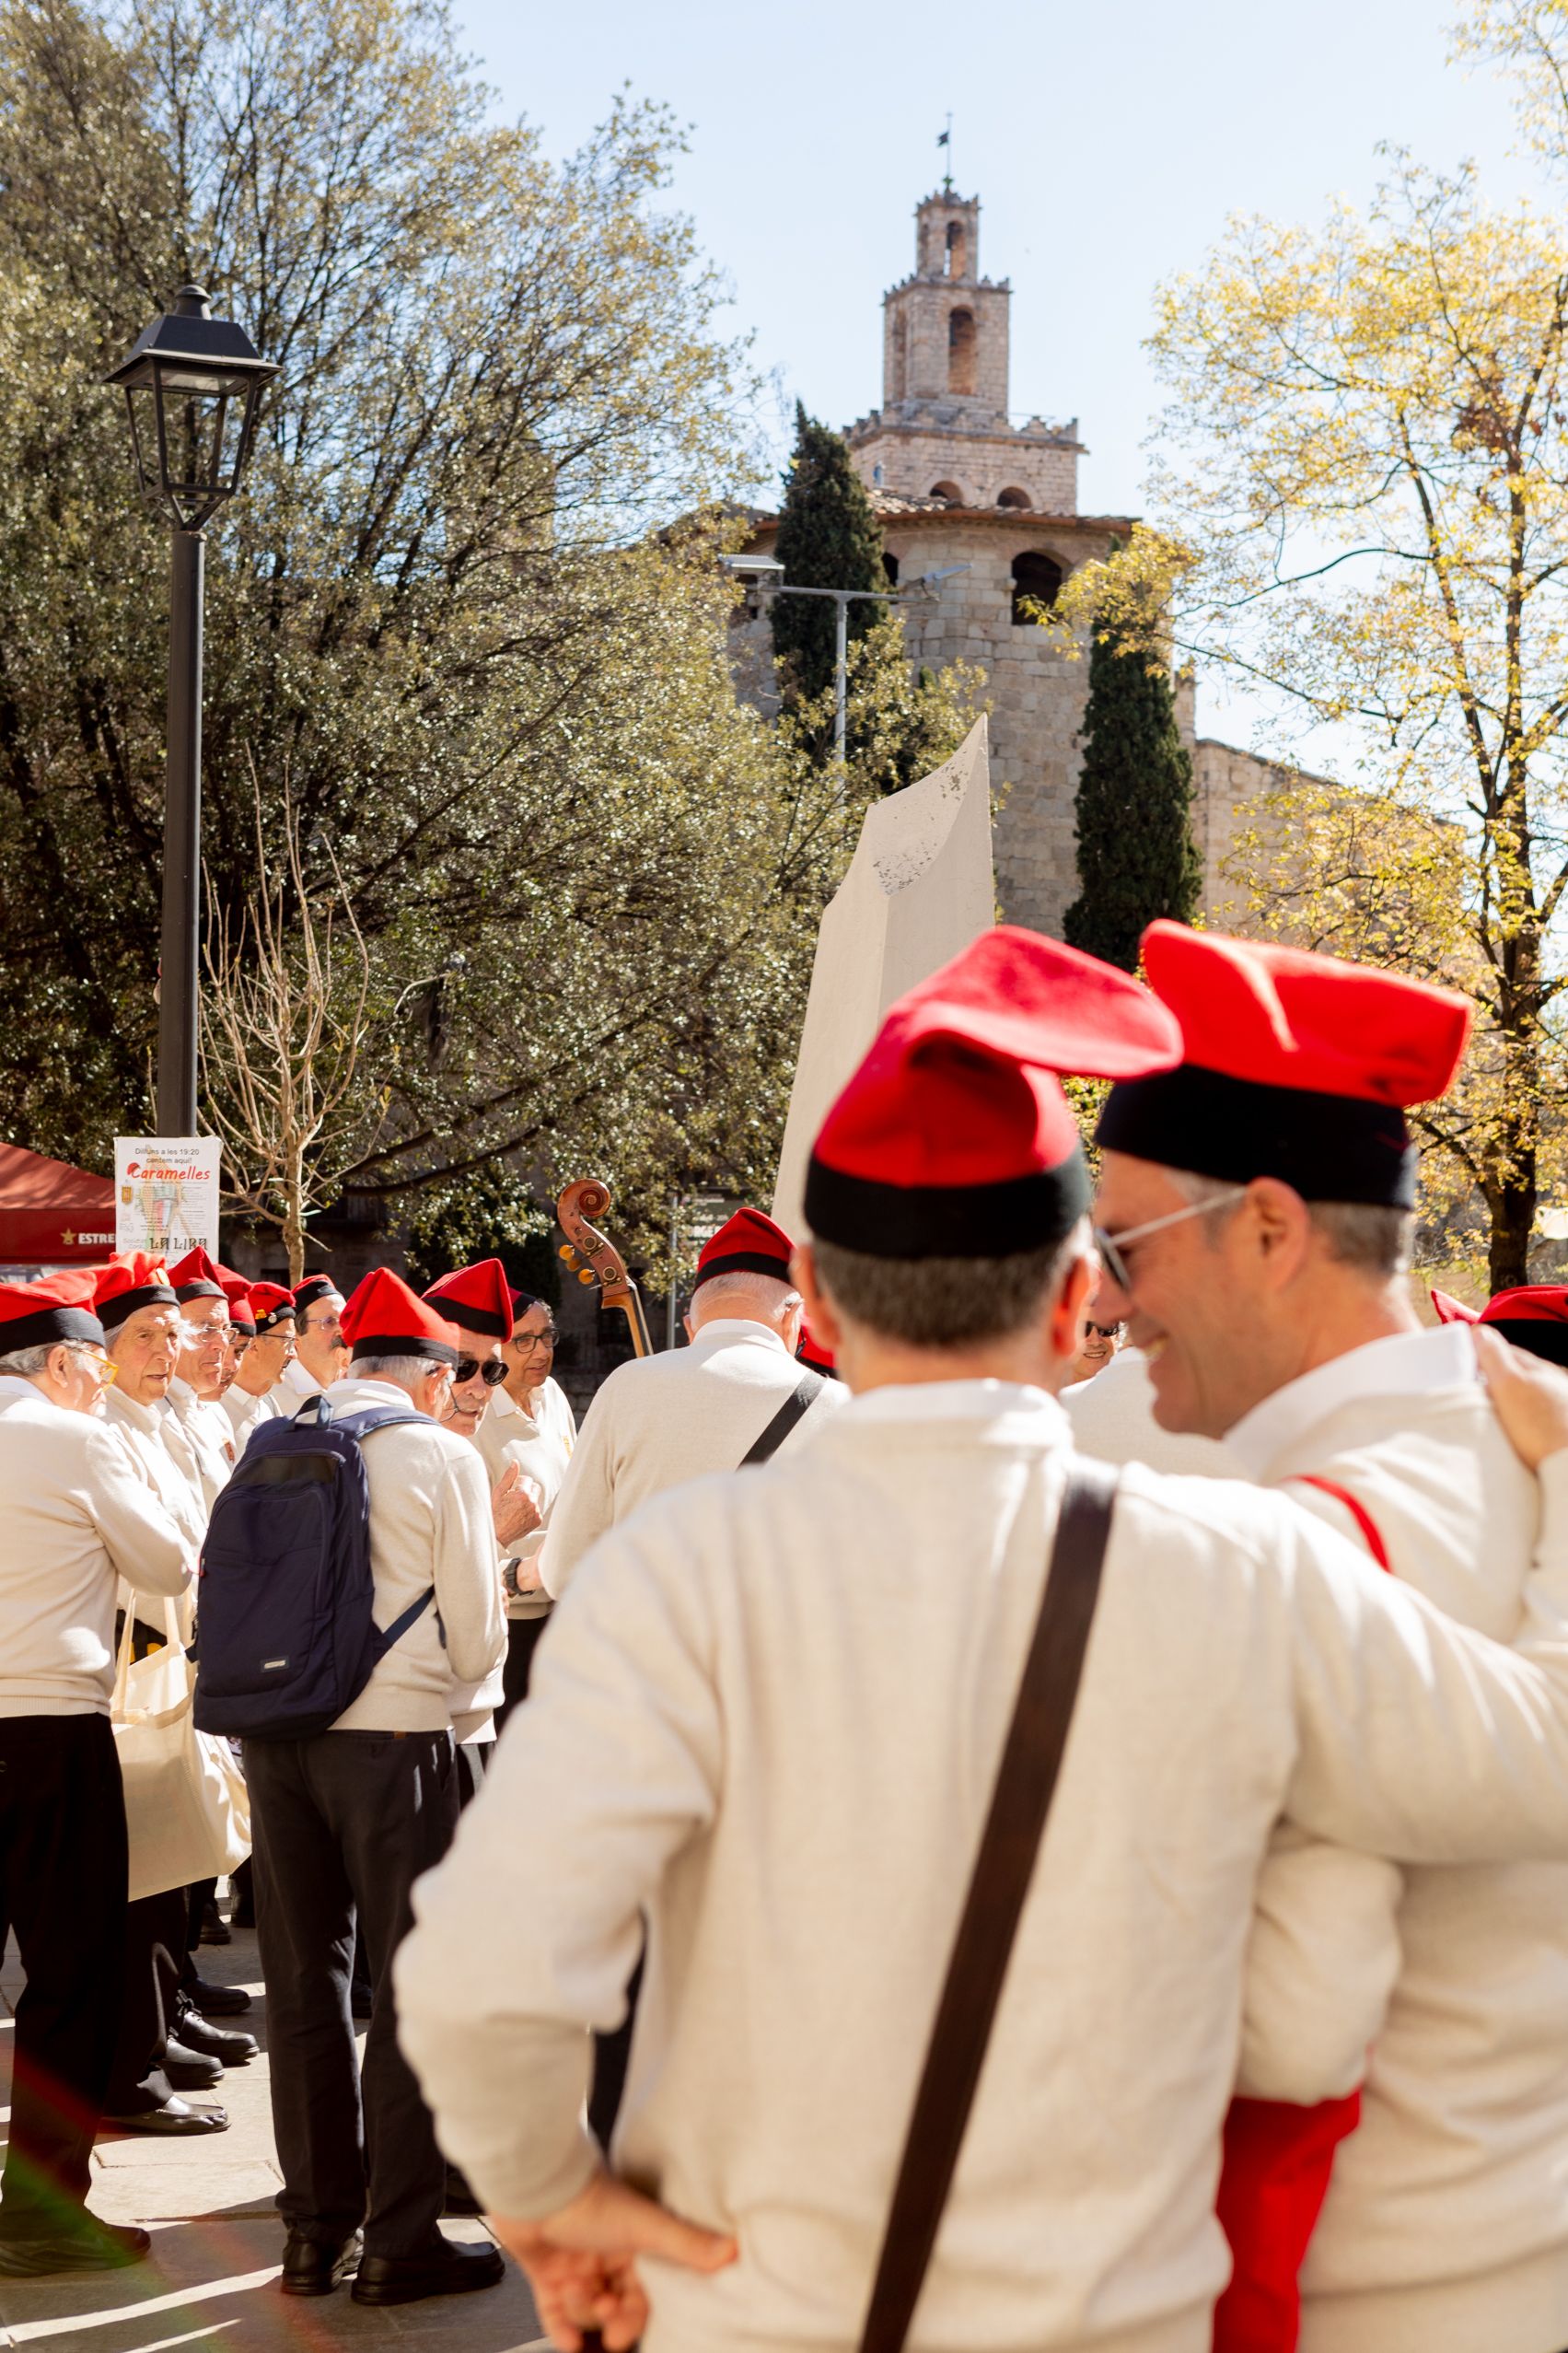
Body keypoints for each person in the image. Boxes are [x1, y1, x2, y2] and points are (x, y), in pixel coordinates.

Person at [396, 927, 1568, 2353]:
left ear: (812, 1302)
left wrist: (548, 2193)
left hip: (744, 2312)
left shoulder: (670, 1571)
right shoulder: (1233, 1559)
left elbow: (478, 1974)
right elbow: (1495, 1804)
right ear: (1071, 1294)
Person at [1083, 918, 1568, 2353]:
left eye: (1123, 1245)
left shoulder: (1276, 1544)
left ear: (1270, 1228)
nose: (1102, 1298)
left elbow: (1239, 2026)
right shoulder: (1521, 1444)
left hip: (1351, 2296)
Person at [243, 1265, 506, 2307]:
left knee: (304, 1986)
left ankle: (311, 2231)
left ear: (353, 1362)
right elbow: (480, 1629)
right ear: (431, 1380)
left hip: (276, 1737)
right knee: (410, 1986)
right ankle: (400, 2237)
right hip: (392, 1737)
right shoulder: (441, 1454)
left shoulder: (271, 1441)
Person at [0, 1271, 196, 2276]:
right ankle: (37, 2213)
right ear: (68, 1362)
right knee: (70, 1975)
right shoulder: (74, 1435)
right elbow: (168, 1562)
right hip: (45, 1726)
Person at [95, 1254, 236, 2138]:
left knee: (165, 1862)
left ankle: (151, 2031)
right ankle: (131, 2063)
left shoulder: (154, 1419)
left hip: (174, 1653)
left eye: (168, 1334)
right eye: (143, 1336)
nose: (164, 1348)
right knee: (138, 1870)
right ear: (103, 1352)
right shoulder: (107, 1428)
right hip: (134, 1660)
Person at [536, 1206, 846, 1602]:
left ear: (689, 1327)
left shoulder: (626, 1387)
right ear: (792, 1319)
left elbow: (564, 1571)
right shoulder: (841, 1408)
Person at [421, 1258, 540, 1791]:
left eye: (491, 1370)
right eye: (463, 1367)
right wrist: (493, 1538)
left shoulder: (455, 1450)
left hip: (467, 1716)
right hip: (417, 1723)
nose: (479, 1388)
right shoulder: (405, 1452)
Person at [474, 1288, 576, 1722]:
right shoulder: (475, 1413)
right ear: (498, 1346)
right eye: (524, 1340)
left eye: (546, 1337)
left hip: (562, 1609)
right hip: (508, 1615)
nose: (540, 1351)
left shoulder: (551, 1394)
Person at [226, 1280, 299, 1434]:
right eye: (287, 1341)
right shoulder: (215, 1407)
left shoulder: (268, 1405)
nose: (294, 1355)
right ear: (253, 1345)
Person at [284, 1273, 349, 1401]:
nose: (341, 1330)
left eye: (344, 1320)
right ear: (296, 1336)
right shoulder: (274, 1394)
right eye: (329, 1322)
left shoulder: (356, 1384)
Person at [1063, 1308, 1123, 1385]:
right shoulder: (1045, 1394)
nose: (1096, 1342)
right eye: (1082, 1328)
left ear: (1119, 1334)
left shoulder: (1137, 1388)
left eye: (1106, 1328)